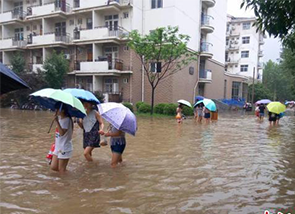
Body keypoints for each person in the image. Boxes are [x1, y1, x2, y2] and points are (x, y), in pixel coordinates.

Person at [51, 103, 73, 173]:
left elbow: (62, 133)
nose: (55, 111)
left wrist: (57, 122)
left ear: (62, 110)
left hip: (64, 147)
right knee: (54, 167)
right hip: (58, 147)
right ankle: (64, 177)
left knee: (61, 170)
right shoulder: (61, 119)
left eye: (57, 109)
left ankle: (65, 182)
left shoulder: (67, 120)